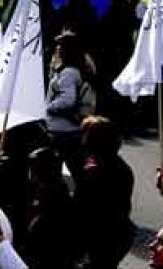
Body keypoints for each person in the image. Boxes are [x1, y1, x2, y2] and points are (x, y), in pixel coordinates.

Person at [74, 116, 133, 269]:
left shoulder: (95, 172)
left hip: (100, 238)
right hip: (118, 235)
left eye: (86, 136)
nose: (82, 141)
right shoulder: (121, 167)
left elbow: (83, 209)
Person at [46, 31, 95, 173]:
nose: (58, 48)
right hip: (71, 129)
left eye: (62, 45)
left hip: (61, 131)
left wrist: (47, 108)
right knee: (77, 170)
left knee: (52, 173)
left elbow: (67, 100)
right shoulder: (76, 69)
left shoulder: (68, 72)